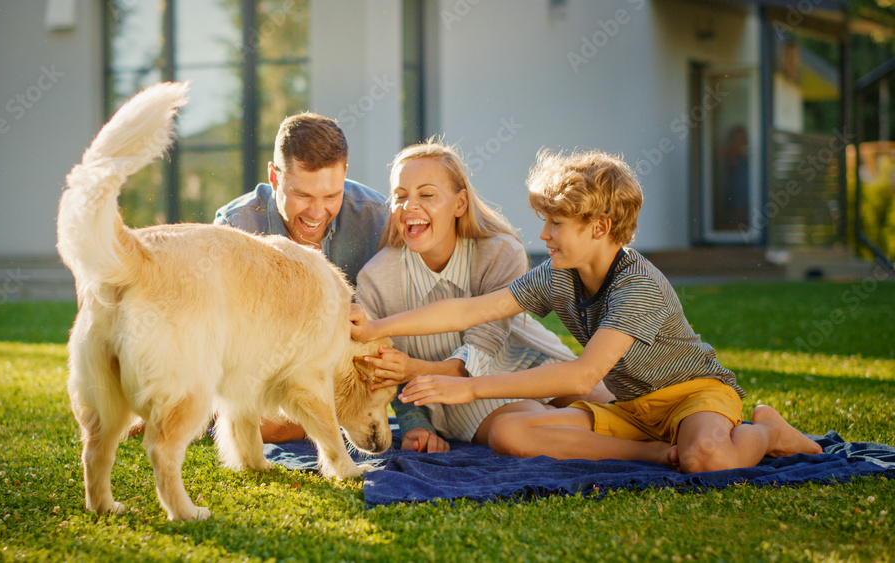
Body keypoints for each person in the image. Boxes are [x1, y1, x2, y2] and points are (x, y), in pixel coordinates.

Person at [351, 148, 823, 472]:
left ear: (599, 227)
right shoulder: (560, 273)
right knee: (510, 435)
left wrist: (470, 388)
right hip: (634, 411)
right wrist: (376, 325)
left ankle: (766, 429)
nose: (544, 236)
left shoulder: (636, 285)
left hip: (693, 396)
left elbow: (581, 377)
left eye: (556, 224)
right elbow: (468, 311)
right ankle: (657, 454)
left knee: (707, 459)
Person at [356, 140, 613, 453]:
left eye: (426, 194)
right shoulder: (376, 278)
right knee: (536, 429)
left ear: (460, 203)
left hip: (528, 359)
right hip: (457, 398)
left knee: (620, 408)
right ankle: (651, 454)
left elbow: (482, 349)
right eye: (400, 196)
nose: (409, 206)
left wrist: (411, 368)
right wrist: (417, 424)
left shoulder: (500, 252)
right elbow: (384, 375)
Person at [214, 112, 389, 443]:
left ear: (345, 175)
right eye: (303, 195)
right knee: (266, 423)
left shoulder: (376, 218)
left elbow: (402, 314)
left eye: (331, 196)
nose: (316, 212)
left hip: (343, 368)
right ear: (274, 178)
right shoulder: (236, 227)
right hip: (262, 371)